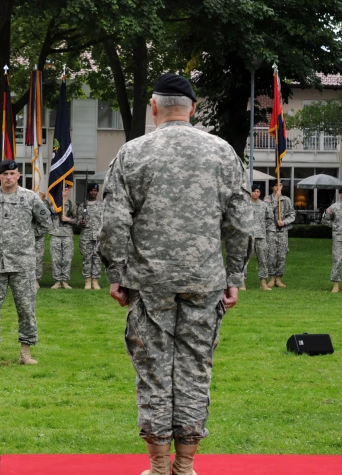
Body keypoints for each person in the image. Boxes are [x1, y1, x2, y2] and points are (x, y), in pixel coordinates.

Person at [98, 73, 251, 475]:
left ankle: (158, 464)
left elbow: (113, 220)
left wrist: (117, 271)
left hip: (151, 283)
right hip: (204, 279)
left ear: (153, 107)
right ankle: (185, 465)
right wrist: (234, 275)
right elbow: (240, 223)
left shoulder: (133, 153)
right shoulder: (222, 152)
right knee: (195, 368)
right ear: (193, 108)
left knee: (152, 370)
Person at [0, 160, 50, 365]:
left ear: (18, 176)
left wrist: (25, 239)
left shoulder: (30, 198)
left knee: (26, 309)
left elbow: (45, 223)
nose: (9, 177)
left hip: (22, 264)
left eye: (13, 173)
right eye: (5, 174)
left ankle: (25, 354)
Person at [243, 184, 273, 290]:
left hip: (261, 236)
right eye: (254, 191)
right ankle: (242, 282)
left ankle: (263, 282)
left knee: (263, 259)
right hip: (248, 235)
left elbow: (270, 219)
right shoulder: (245, 204)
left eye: (258, 191)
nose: (256, 193)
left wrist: (266, 230)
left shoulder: (264, 205)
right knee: (245, 259)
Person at [46, 185, 77, 289]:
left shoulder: (72, 204)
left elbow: (77, 220)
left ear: (68, 191)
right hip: (55, 234)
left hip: (67, 235)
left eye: (66, 189)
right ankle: (57, 281)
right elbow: (52, 212)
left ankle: (65, 281)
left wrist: (68, 219)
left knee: (67, 259)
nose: (64, 191)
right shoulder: (54, 203)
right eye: (62, 189)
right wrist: (60, 201)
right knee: (56, 259)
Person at [266, 183, 295, 288]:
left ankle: (278, 278)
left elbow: (292, 214)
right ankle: (272, 277)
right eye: (276, 185)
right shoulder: (268, 199)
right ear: (272, 187)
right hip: (271, 230)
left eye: (280, 185)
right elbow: (267, 211)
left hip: (282, 231)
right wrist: (276, 198)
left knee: (282, 255)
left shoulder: (286, 200)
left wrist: (284, 222)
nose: (278, 187)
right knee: (271, 255)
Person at [78, 183, 104, 289]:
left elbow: (105, 220)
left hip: (98, 236)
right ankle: (87, 281)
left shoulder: (102, 205)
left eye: (95, 190)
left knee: (97, 258)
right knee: (87, 258)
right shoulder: (82, 205)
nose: (93, 192)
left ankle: (95, 281)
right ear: (88, 192)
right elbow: (78, 221)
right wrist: (81, 223)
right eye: (91, 190)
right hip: (86, 236)